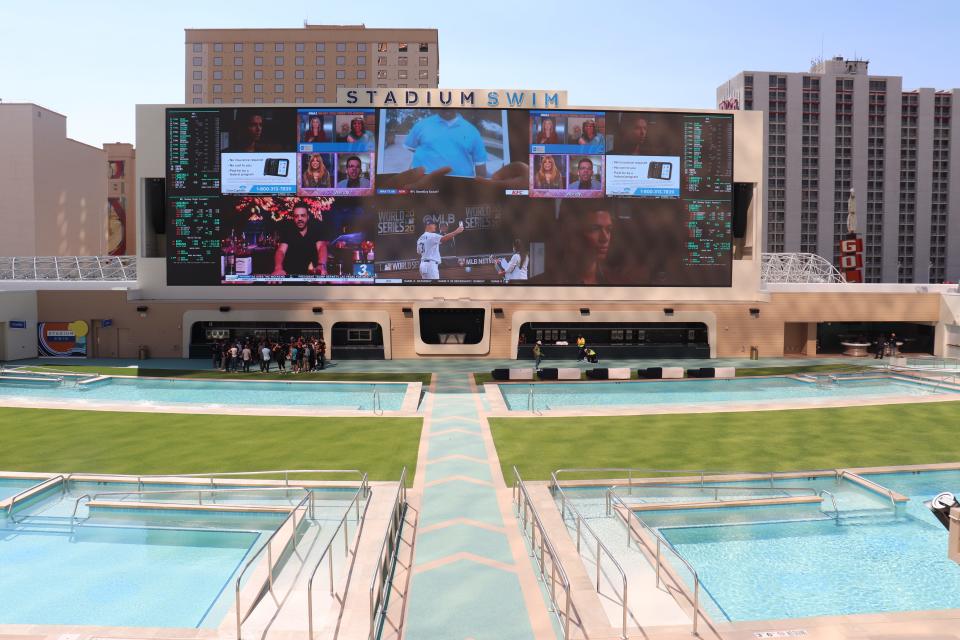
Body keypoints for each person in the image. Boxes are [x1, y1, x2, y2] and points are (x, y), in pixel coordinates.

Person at [404, 110, 488, 178]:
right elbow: (411, 148)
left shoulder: (472, 130)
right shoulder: (421, 125)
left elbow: (480, 164)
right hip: (425, 186)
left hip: (461, 188)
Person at [272, 202, 328, 277]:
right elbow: (281, 251)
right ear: (293, 218)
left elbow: (321, 247)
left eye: (303, 215)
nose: (300, 219)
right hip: (291, 276)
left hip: (312, 276)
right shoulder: (288, 231)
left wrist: (321, 265)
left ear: (308, 217)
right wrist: (278, 268)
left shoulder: (315, 229)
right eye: (296, 216)